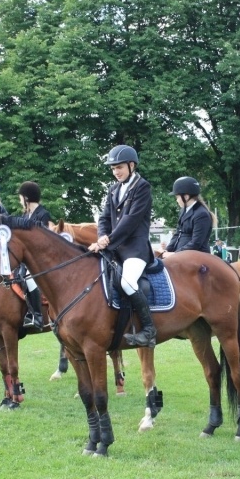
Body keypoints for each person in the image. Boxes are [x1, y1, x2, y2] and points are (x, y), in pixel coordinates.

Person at [90, 145, 157, 348]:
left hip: (135, 250)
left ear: (131, 165)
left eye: (119, 167)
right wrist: (102, 236)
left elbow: (130, 220)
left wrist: (107, 239)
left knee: (127, 283)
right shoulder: (113, 189)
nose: (116, 172)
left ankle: (149, 330)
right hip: (113, 249)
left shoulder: (142, 187)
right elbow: (103, 218)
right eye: (113, 169)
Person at [17, 181, 51, 329]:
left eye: (20, 197)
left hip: (39, 259)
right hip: (25, 259)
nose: (19, 200)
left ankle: (37, 315)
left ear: (26, 198)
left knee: (29, 279)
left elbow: (43, 240)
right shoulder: (25, 215)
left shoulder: (43, 214)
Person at [162, 176, 213, 256]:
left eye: (177, 197)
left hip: (196, 257)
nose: (176, 200)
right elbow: (177, 234)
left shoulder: (201, 214)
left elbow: (196, 243)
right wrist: (167, 250)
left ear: (186, 197)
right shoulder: (183, 211)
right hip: (182, 255)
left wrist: (175, 254)